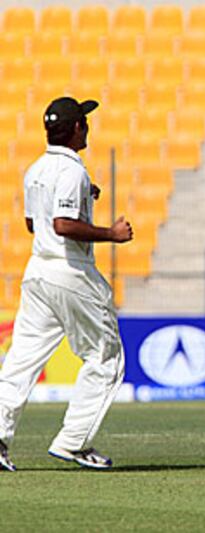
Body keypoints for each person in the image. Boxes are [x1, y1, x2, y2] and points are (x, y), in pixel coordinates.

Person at [0, 97, 133, 472]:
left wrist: (85, 198)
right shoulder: (72, 171)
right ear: (76, 128)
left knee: (21, 360)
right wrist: (112, 232)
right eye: (84, 122)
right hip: (70, 272)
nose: (87, 127)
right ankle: (74, 442)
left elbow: (35, 224)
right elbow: (62, 225)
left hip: (38, 272)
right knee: (106, 357)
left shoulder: (36, 169)